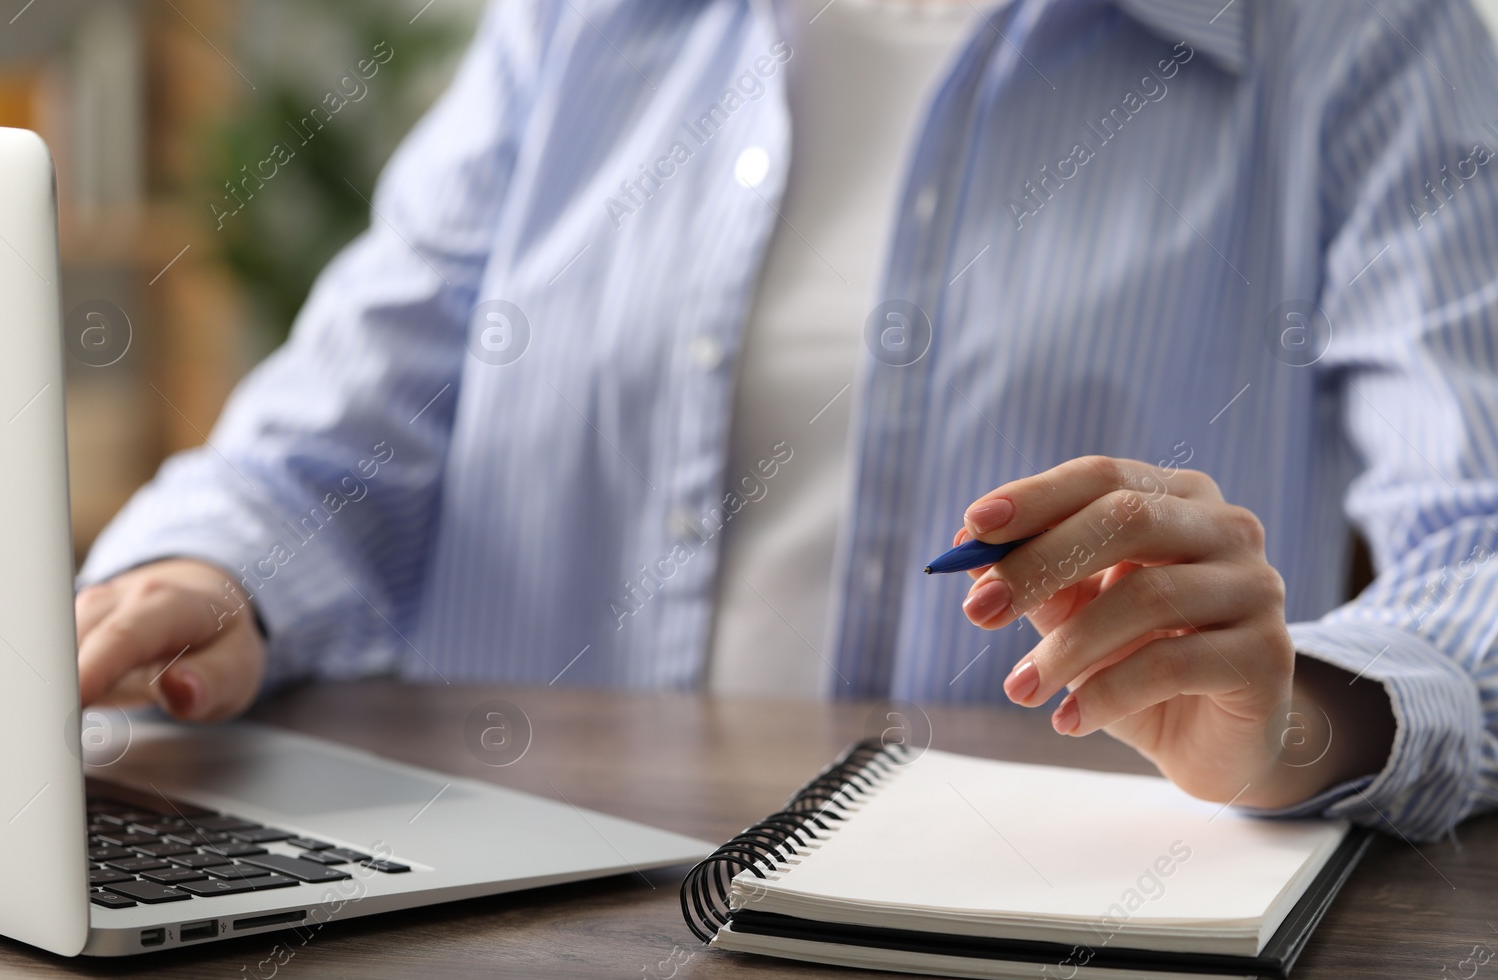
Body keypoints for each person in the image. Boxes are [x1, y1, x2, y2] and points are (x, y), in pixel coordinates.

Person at [75, 0, 1498, 841]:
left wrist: (1302, 715)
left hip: (1049, 979)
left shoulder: (1359, 37)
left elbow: (1480, 547)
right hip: (493, 950)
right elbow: (337, 435)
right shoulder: (574, 25)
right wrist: (210, 576)